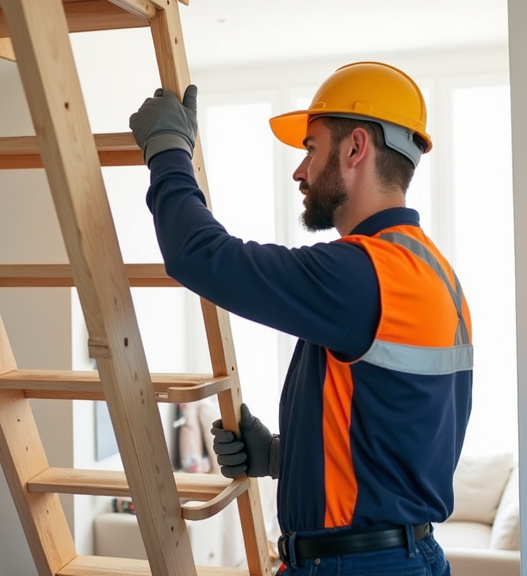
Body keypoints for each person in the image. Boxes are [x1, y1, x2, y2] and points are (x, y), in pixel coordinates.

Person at [129, 61, 472, 576]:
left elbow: (199, 255)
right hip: (389, 558)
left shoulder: (364, 274)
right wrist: (279, 457)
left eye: (310, 148)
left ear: (356, 148)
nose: (299, 170)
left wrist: (168, 149)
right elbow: (395, 439)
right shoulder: (428, 269)